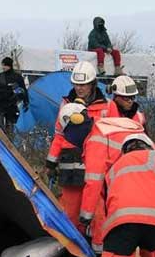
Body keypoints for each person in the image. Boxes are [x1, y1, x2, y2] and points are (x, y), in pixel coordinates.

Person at [46, 61, 111, 224]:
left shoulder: (107, 107)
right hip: (71, 165)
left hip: (97, 165)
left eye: (84, 85)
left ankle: (94, 247)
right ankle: (73, 247)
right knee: (71, 212)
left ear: (93, 84)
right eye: (76, 84)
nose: (79, 88)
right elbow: (59, 135)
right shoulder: (66, 104)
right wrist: (51, 163)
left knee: (96, 213)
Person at [78, 117, 145, 252]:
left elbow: (94, 182)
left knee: (99, 203)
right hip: (147, 180)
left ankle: (100, 250)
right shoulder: (114, 129)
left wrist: (86, 215)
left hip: (125, 185)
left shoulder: (95, 140)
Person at [46, 100, 94, 229]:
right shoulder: (68, 111)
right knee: (74, 211)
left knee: (85, 211)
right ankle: (76, 239)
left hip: (80, 173)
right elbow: (58, 139)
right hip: (72, 174)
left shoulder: (72, 113)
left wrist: (51, 165)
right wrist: (50, 164)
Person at [0, 57, 29, 135]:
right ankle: (4, 139)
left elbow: (23, 90)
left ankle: (8, 140)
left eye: (4, 65)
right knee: (1, 125)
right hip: (1, 105)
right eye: (2, 65)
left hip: (11, 105)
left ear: (8, 65)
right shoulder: (0, 76)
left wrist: (25, 101)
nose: (3, 67)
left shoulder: (15, 77)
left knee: (8, 126)